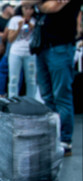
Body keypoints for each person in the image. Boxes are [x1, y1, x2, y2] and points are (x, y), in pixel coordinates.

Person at [32, 0, 82, 156]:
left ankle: (65, 140)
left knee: (62, 96)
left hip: (61, 47)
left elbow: (52, 7)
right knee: (47, 95)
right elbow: (24, 2)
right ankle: (52, 136)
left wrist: (39, 4)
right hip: (42, 48)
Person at [7, 3, 37, 98]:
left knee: (31, 79)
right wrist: (19, 27)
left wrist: (33, 28)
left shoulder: (35, 20)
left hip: (30, 52)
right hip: (16, 52)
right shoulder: (15, 20)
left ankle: (31, 100)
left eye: (30, 9)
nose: (28, 11)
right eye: (26, 8)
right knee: (13, 78)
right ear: (22, 9)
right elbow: (10, 39)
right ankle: (12, 99)